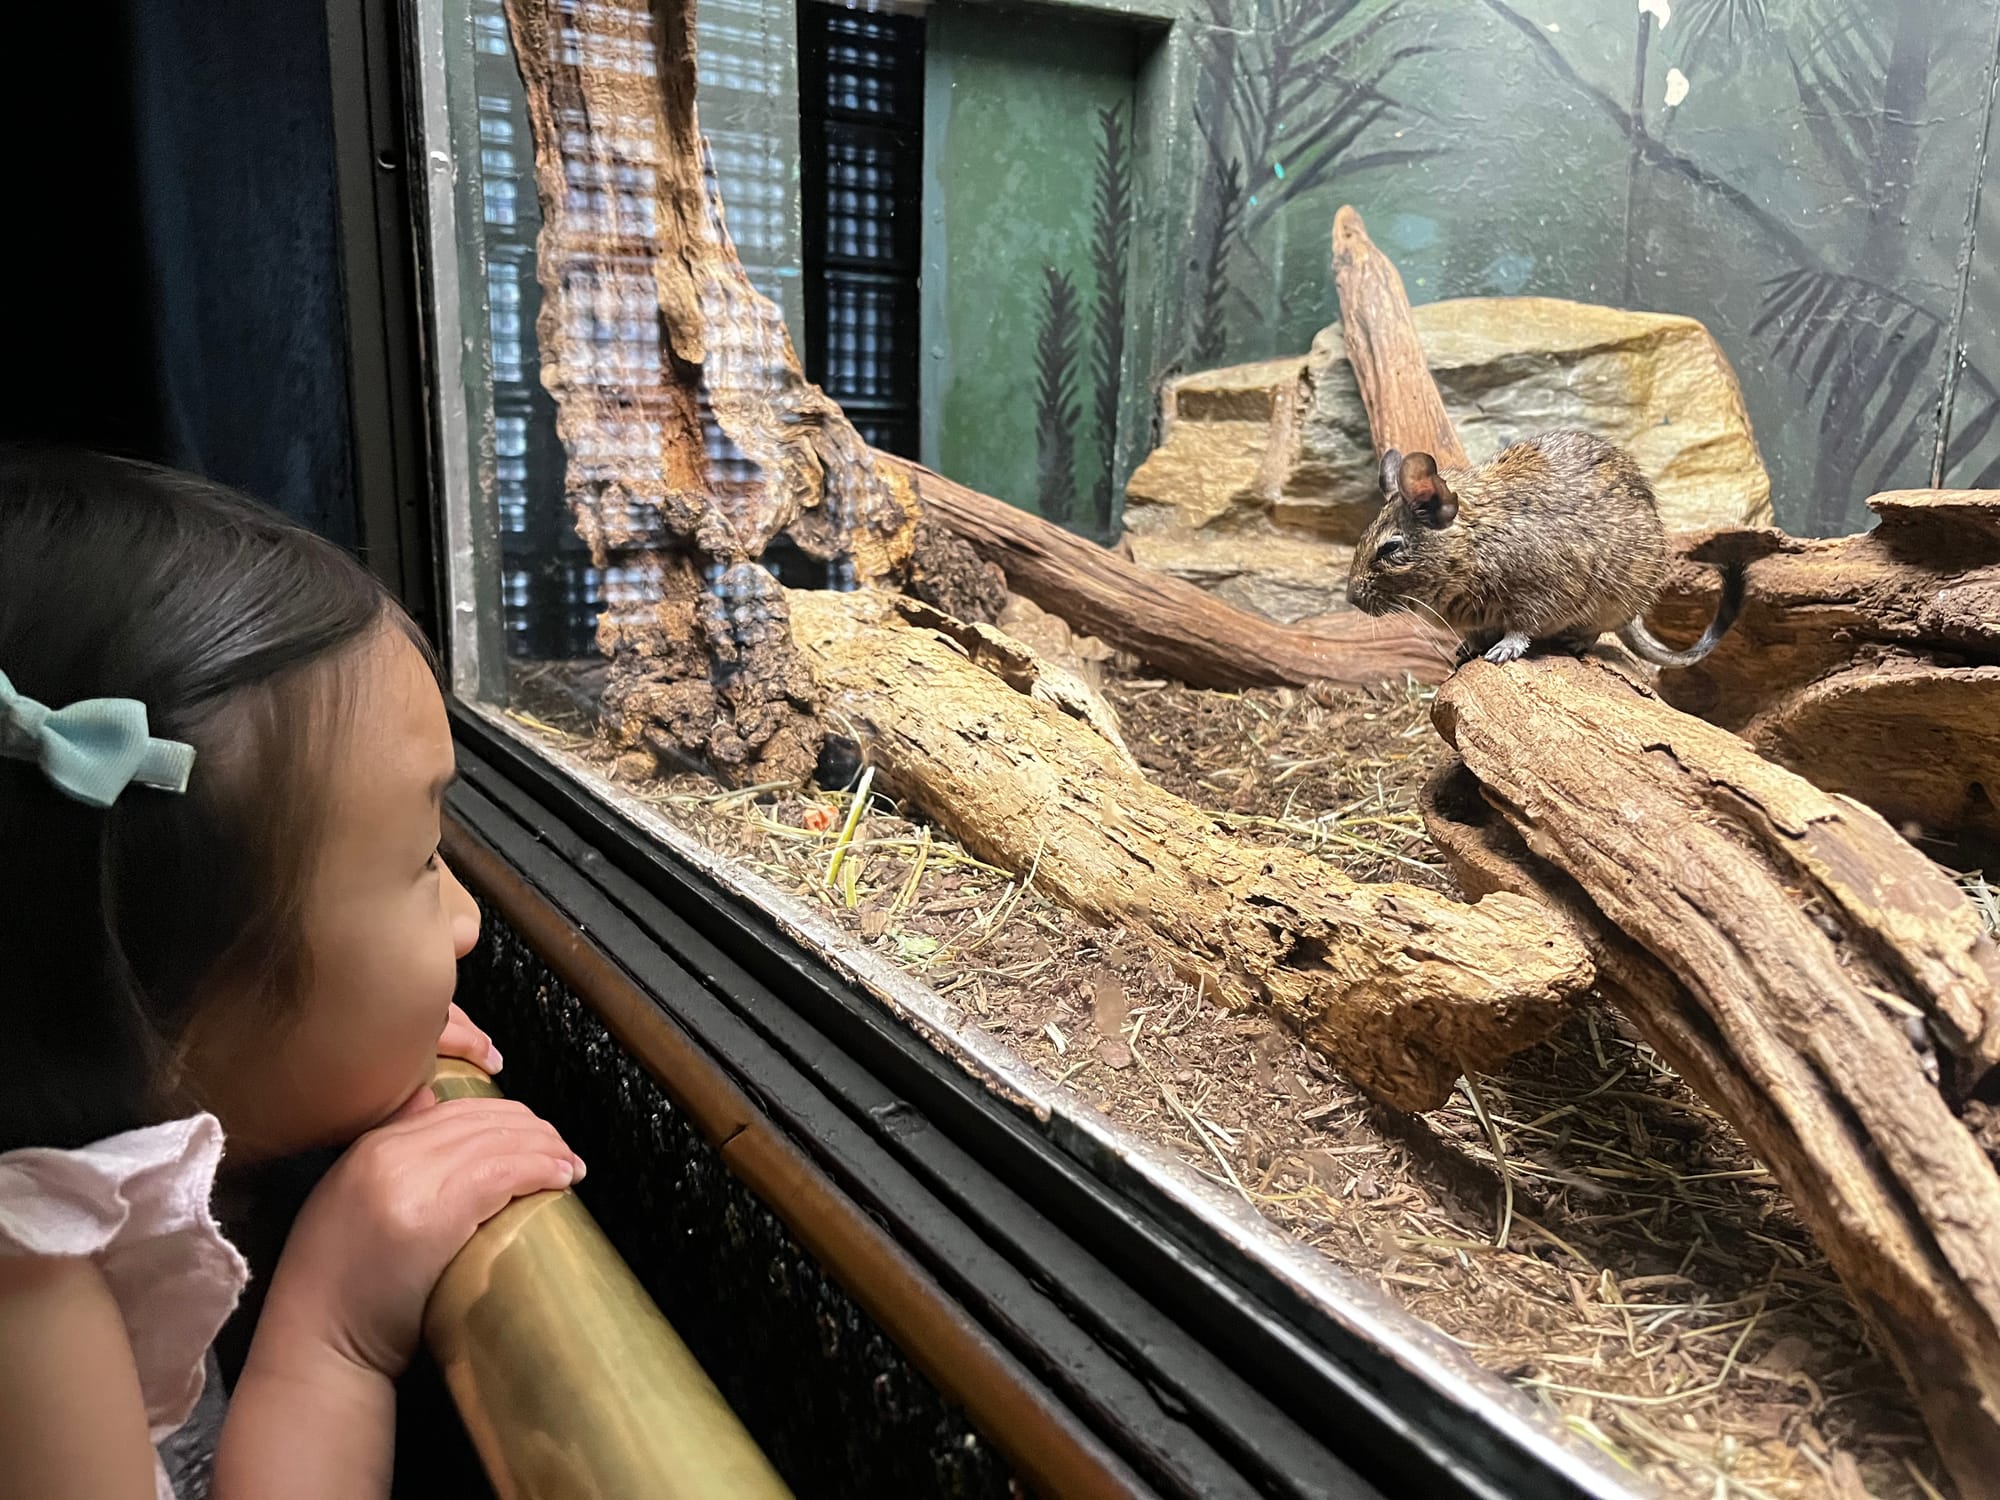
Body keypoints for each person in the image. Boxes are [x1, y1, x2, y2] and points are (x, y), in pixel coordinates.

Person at [0, 448, 586, 1498]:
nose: (464, 920)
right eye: (419, 864)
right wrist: (332, 1337)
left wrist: (337, 1045)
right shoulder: (27, 1301)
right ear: (175, 1014)